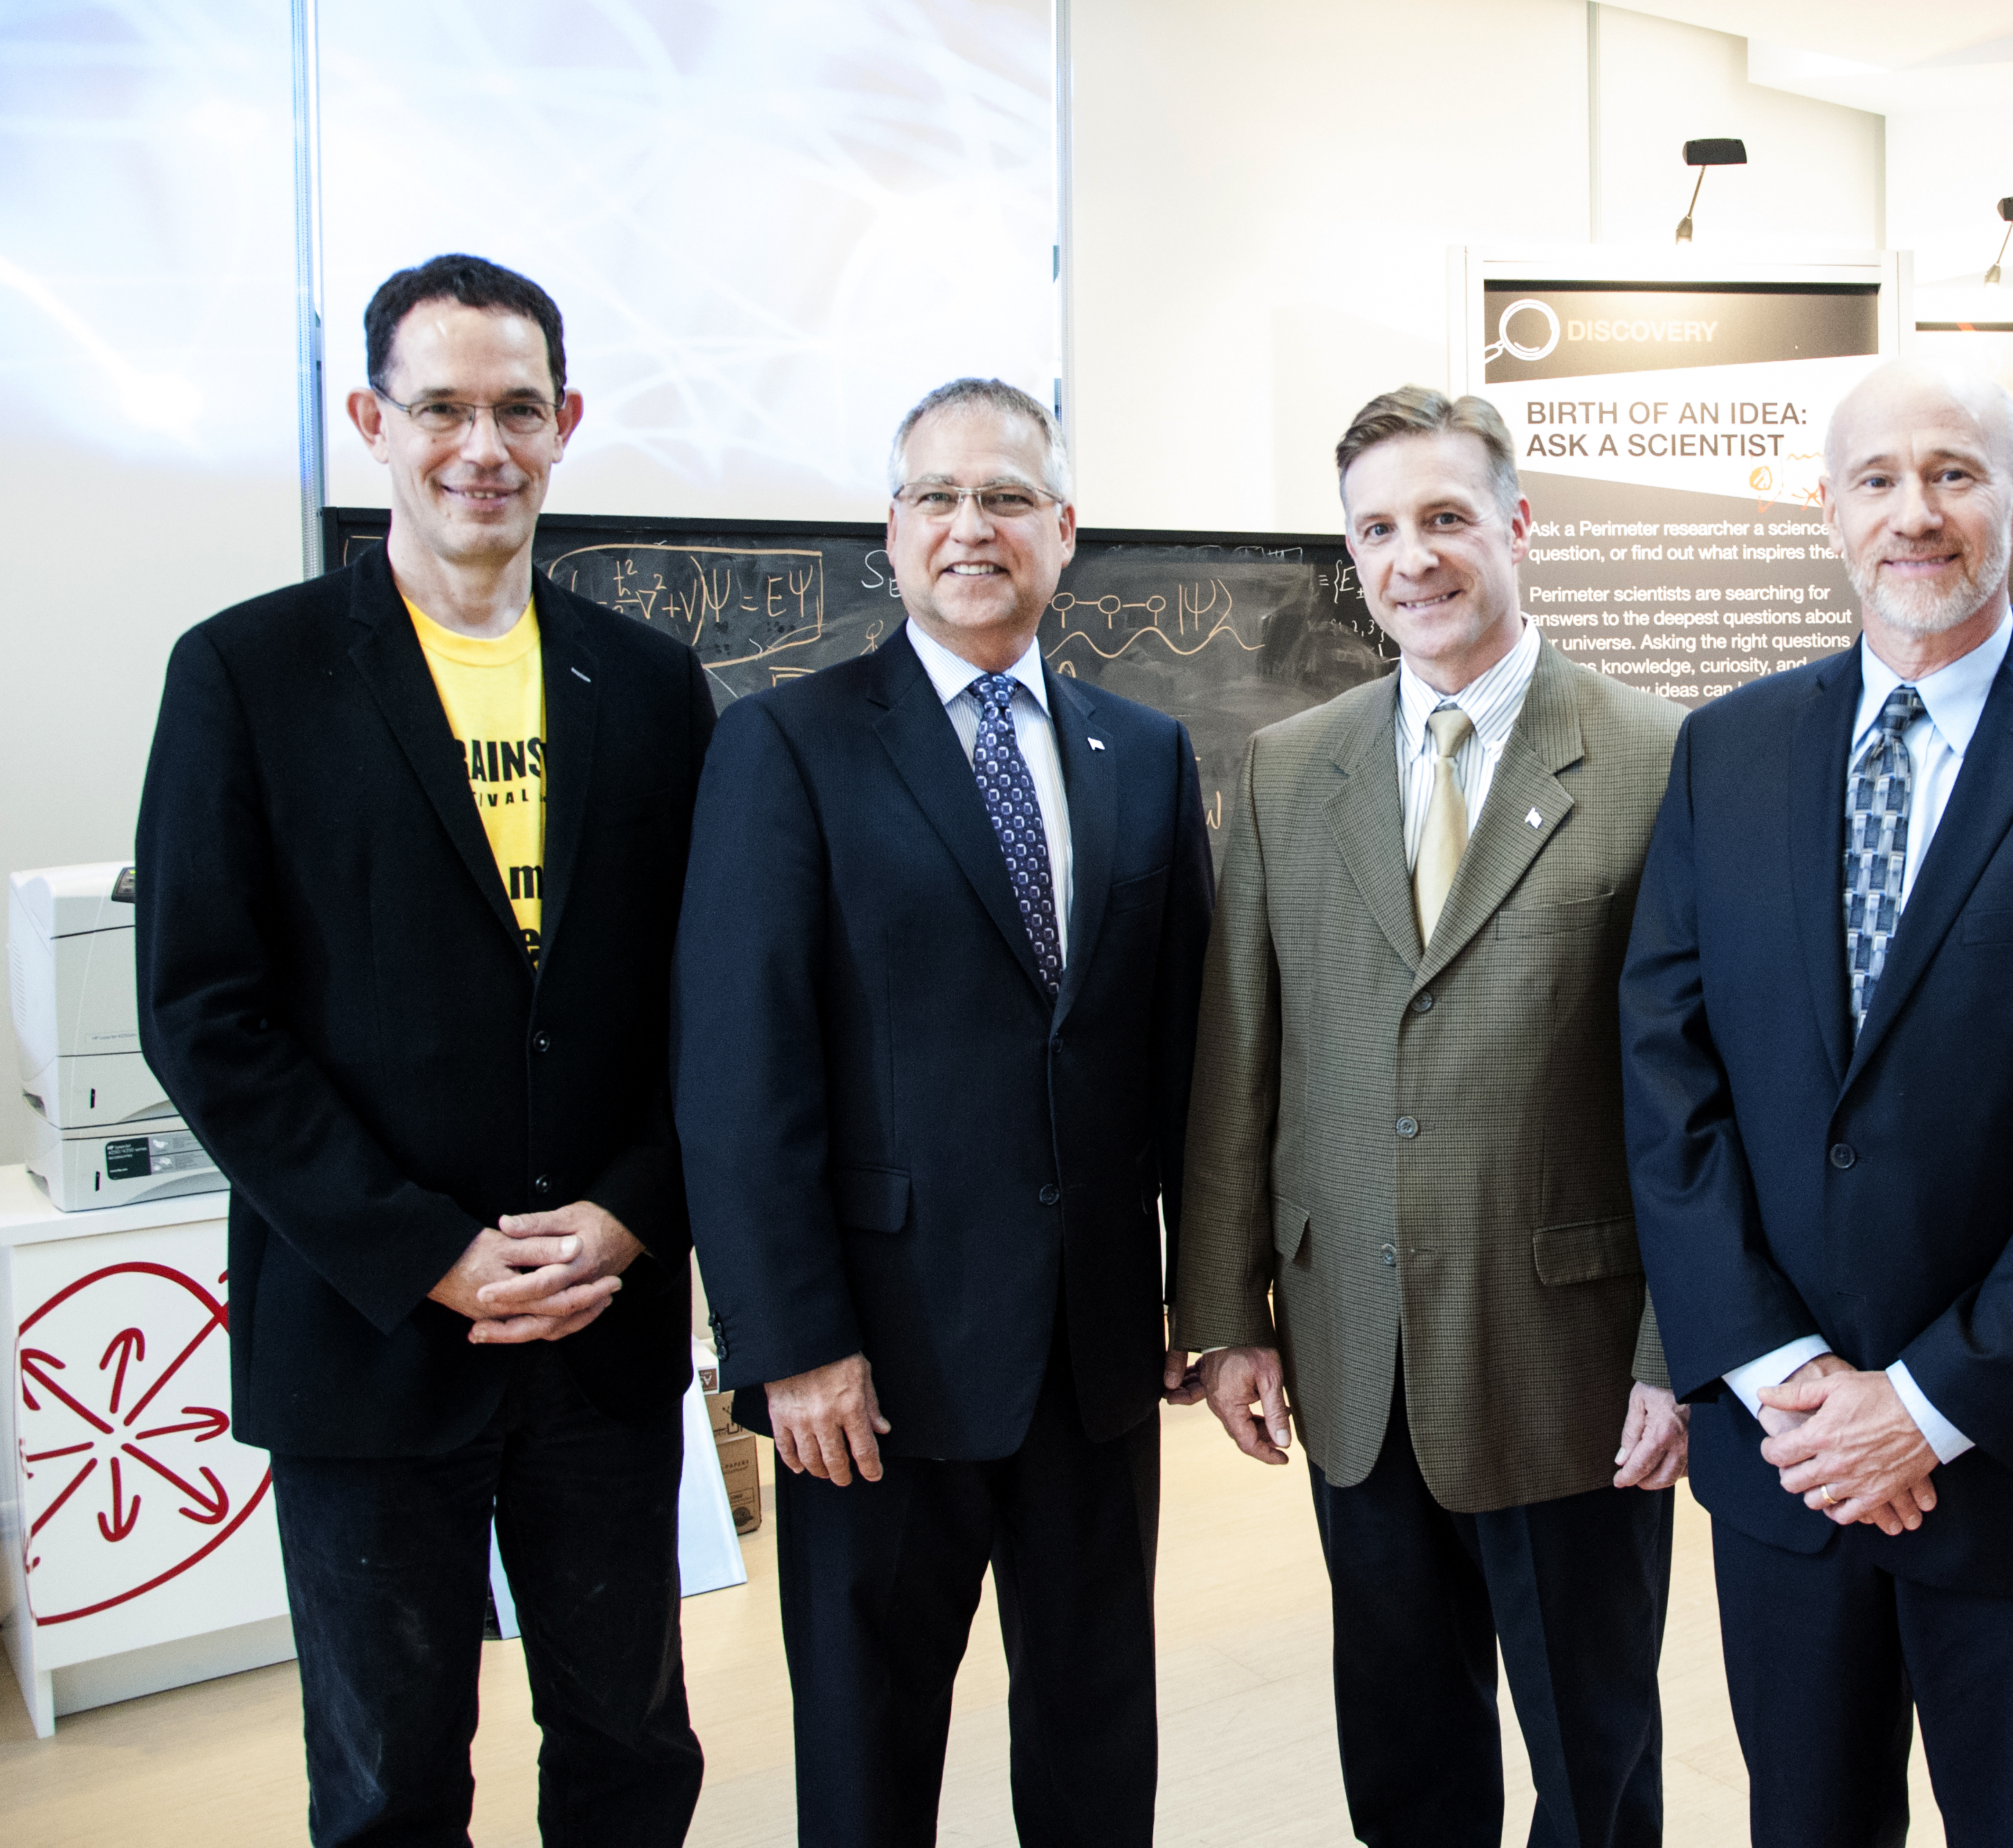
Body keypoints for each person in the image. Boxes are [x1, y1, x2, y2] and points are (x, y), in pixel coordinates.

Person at [1619, 356, 2013, 1848]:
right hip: (1786, 1462)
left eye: (1954, 473)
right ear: (1824, 509)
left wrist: (1925, 1404)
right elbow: (1664, 1064)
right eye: (1877, 479)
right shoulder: (1727, 749)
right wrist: (1785, 1380)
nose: (1916, 513)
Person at [136, 253, 715, 1845]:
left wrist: (630, 1206)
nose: (482, 446)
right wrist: (432, 1252)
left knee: (631, 1746)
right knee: (391, 1776)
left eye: (517, 408)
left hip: (598, 1323)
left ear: (566, 421)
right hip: (369, 1337)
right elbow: (203, 1010)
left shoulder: (653, 686)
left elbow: (706, 999)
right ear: (369, 421)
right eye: (441, 407)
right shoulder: (245, 675)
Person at [674, 376, 1211, 1848]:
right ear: (892, 530)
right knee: (868, 1739)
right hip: (873, 1374)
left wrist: (1207, 1291)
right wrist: (791, 1346)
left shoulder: (1144, 754)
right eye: (937, 498)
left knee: (1097, 1730)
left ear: (1064, 528)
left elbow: (1183, 1061)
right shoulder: (787, 745)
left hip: (1093, 1358)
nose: (971, 527)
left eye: (1007, 499)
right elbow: (739, 1071)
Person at [1173, 386, 1689, 1848]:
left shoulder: (1656, 757)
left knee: (1593, 1754)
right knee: (1402, 1746)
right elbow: (1238, 1066)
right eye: (1378, 528)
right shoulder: (1289, 766)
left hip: (1574, 1364)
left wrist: (1681, 1348)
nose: (1413, 557)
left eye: (1446, 517)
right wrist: (1225, 1313)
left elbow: (1691, 1088)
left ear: (1519, 525)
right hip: (1355, 1355)